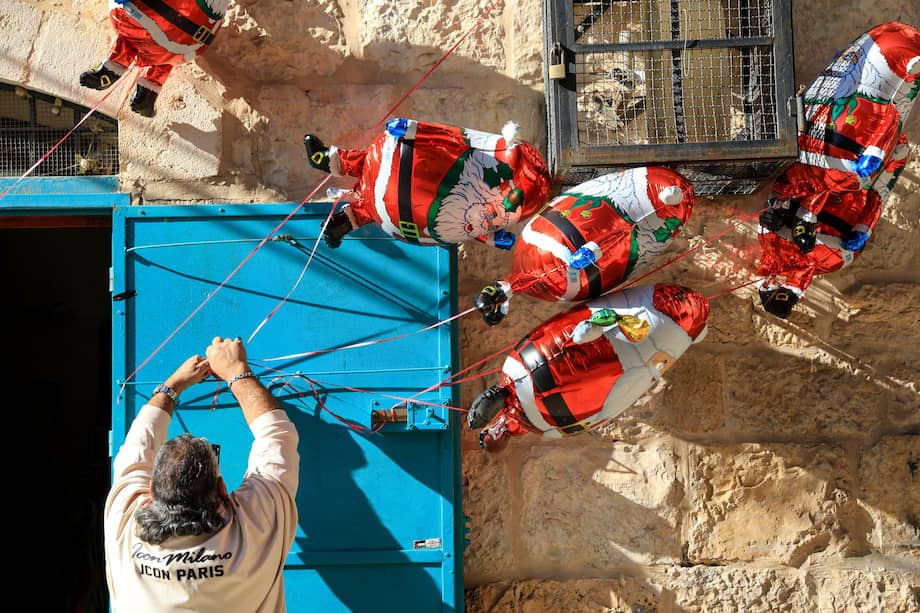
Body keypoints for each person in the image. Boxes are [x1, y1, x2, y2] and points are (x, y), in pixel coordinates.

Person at [104, 337, 300, 612]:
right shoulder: (255, 527)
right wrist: (235, 371)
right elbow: (276, 435)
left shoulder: (124, 526)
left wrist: (172, 386)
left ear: (150, 491)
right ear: (222, 489)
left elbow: (138, 444)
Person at [79, 0, 228, 117]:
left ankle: (113, 66)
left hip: (148, 13)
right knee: (166, 59)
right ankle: (147, 94)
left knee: (131, 38)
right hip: (192, 44)